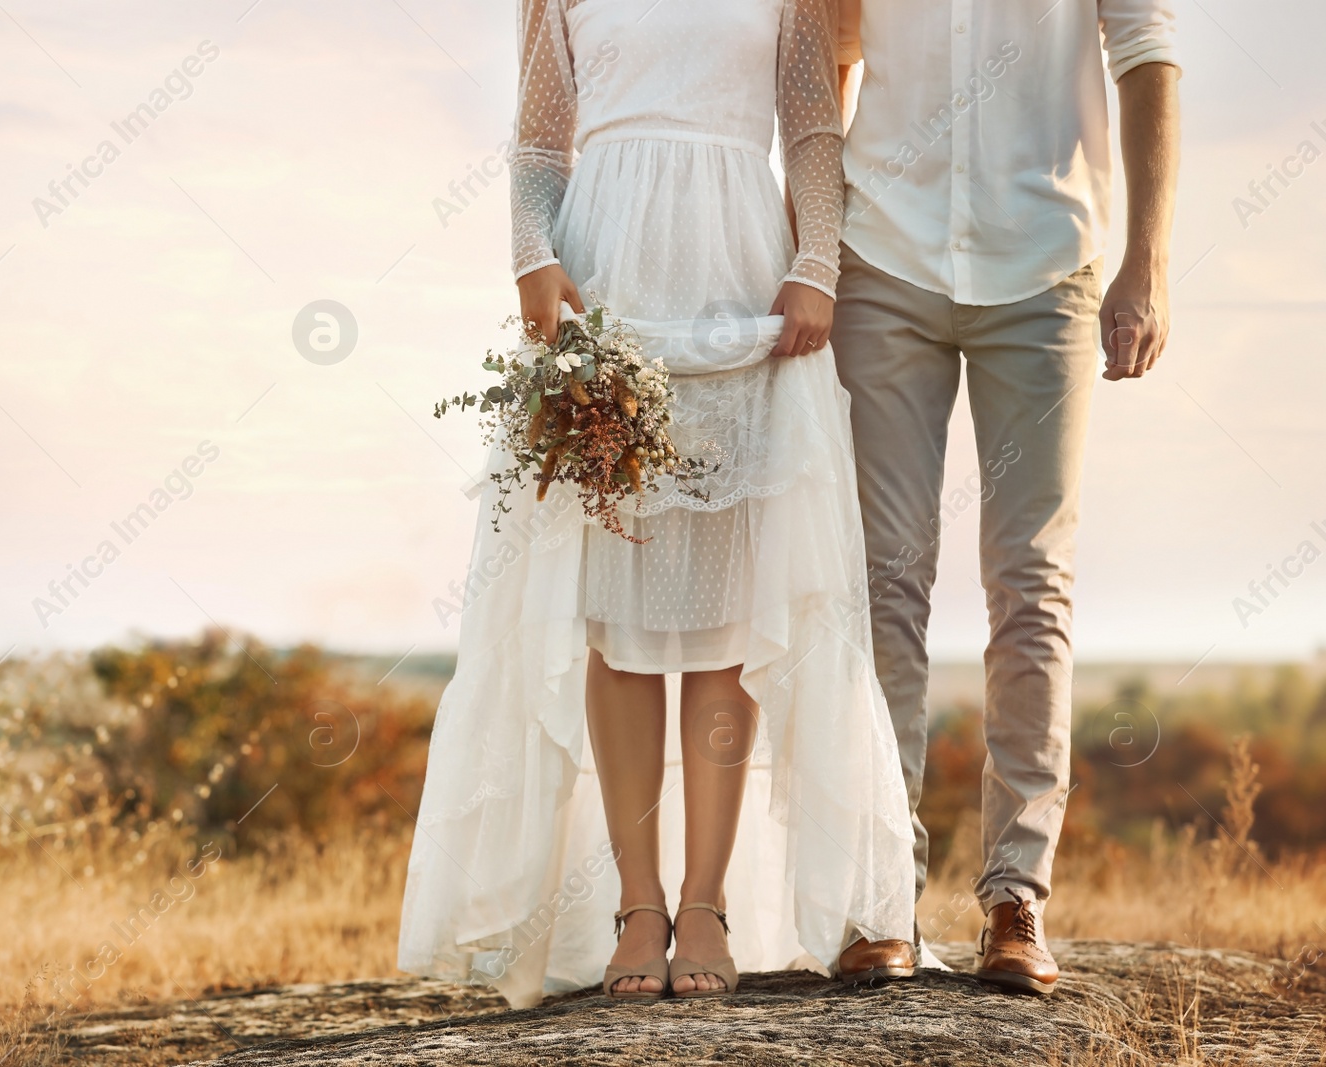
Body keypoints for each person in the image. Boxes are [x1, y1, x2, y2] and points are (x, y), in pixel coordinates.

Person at [398, 0, 916, 1006]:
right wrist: (529, 256)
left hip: (738, 277)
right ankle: (636, 903)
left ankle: (707, 900)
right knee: (612, 619)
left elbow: (811, 127)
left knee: (725, 621)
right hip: (609, 280)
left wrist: (817, 262)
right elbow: (541, 139)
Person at [828, 0, 1181, 995]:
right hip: (882, 253)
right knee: (882, 579)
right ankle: (880, 895)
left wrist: (1146, 261)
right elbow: (825, 54)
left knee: (1029, 581)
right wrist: (809, 241)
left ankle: (1014, 898)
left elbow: (1149, 56)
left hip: (1044, 258)